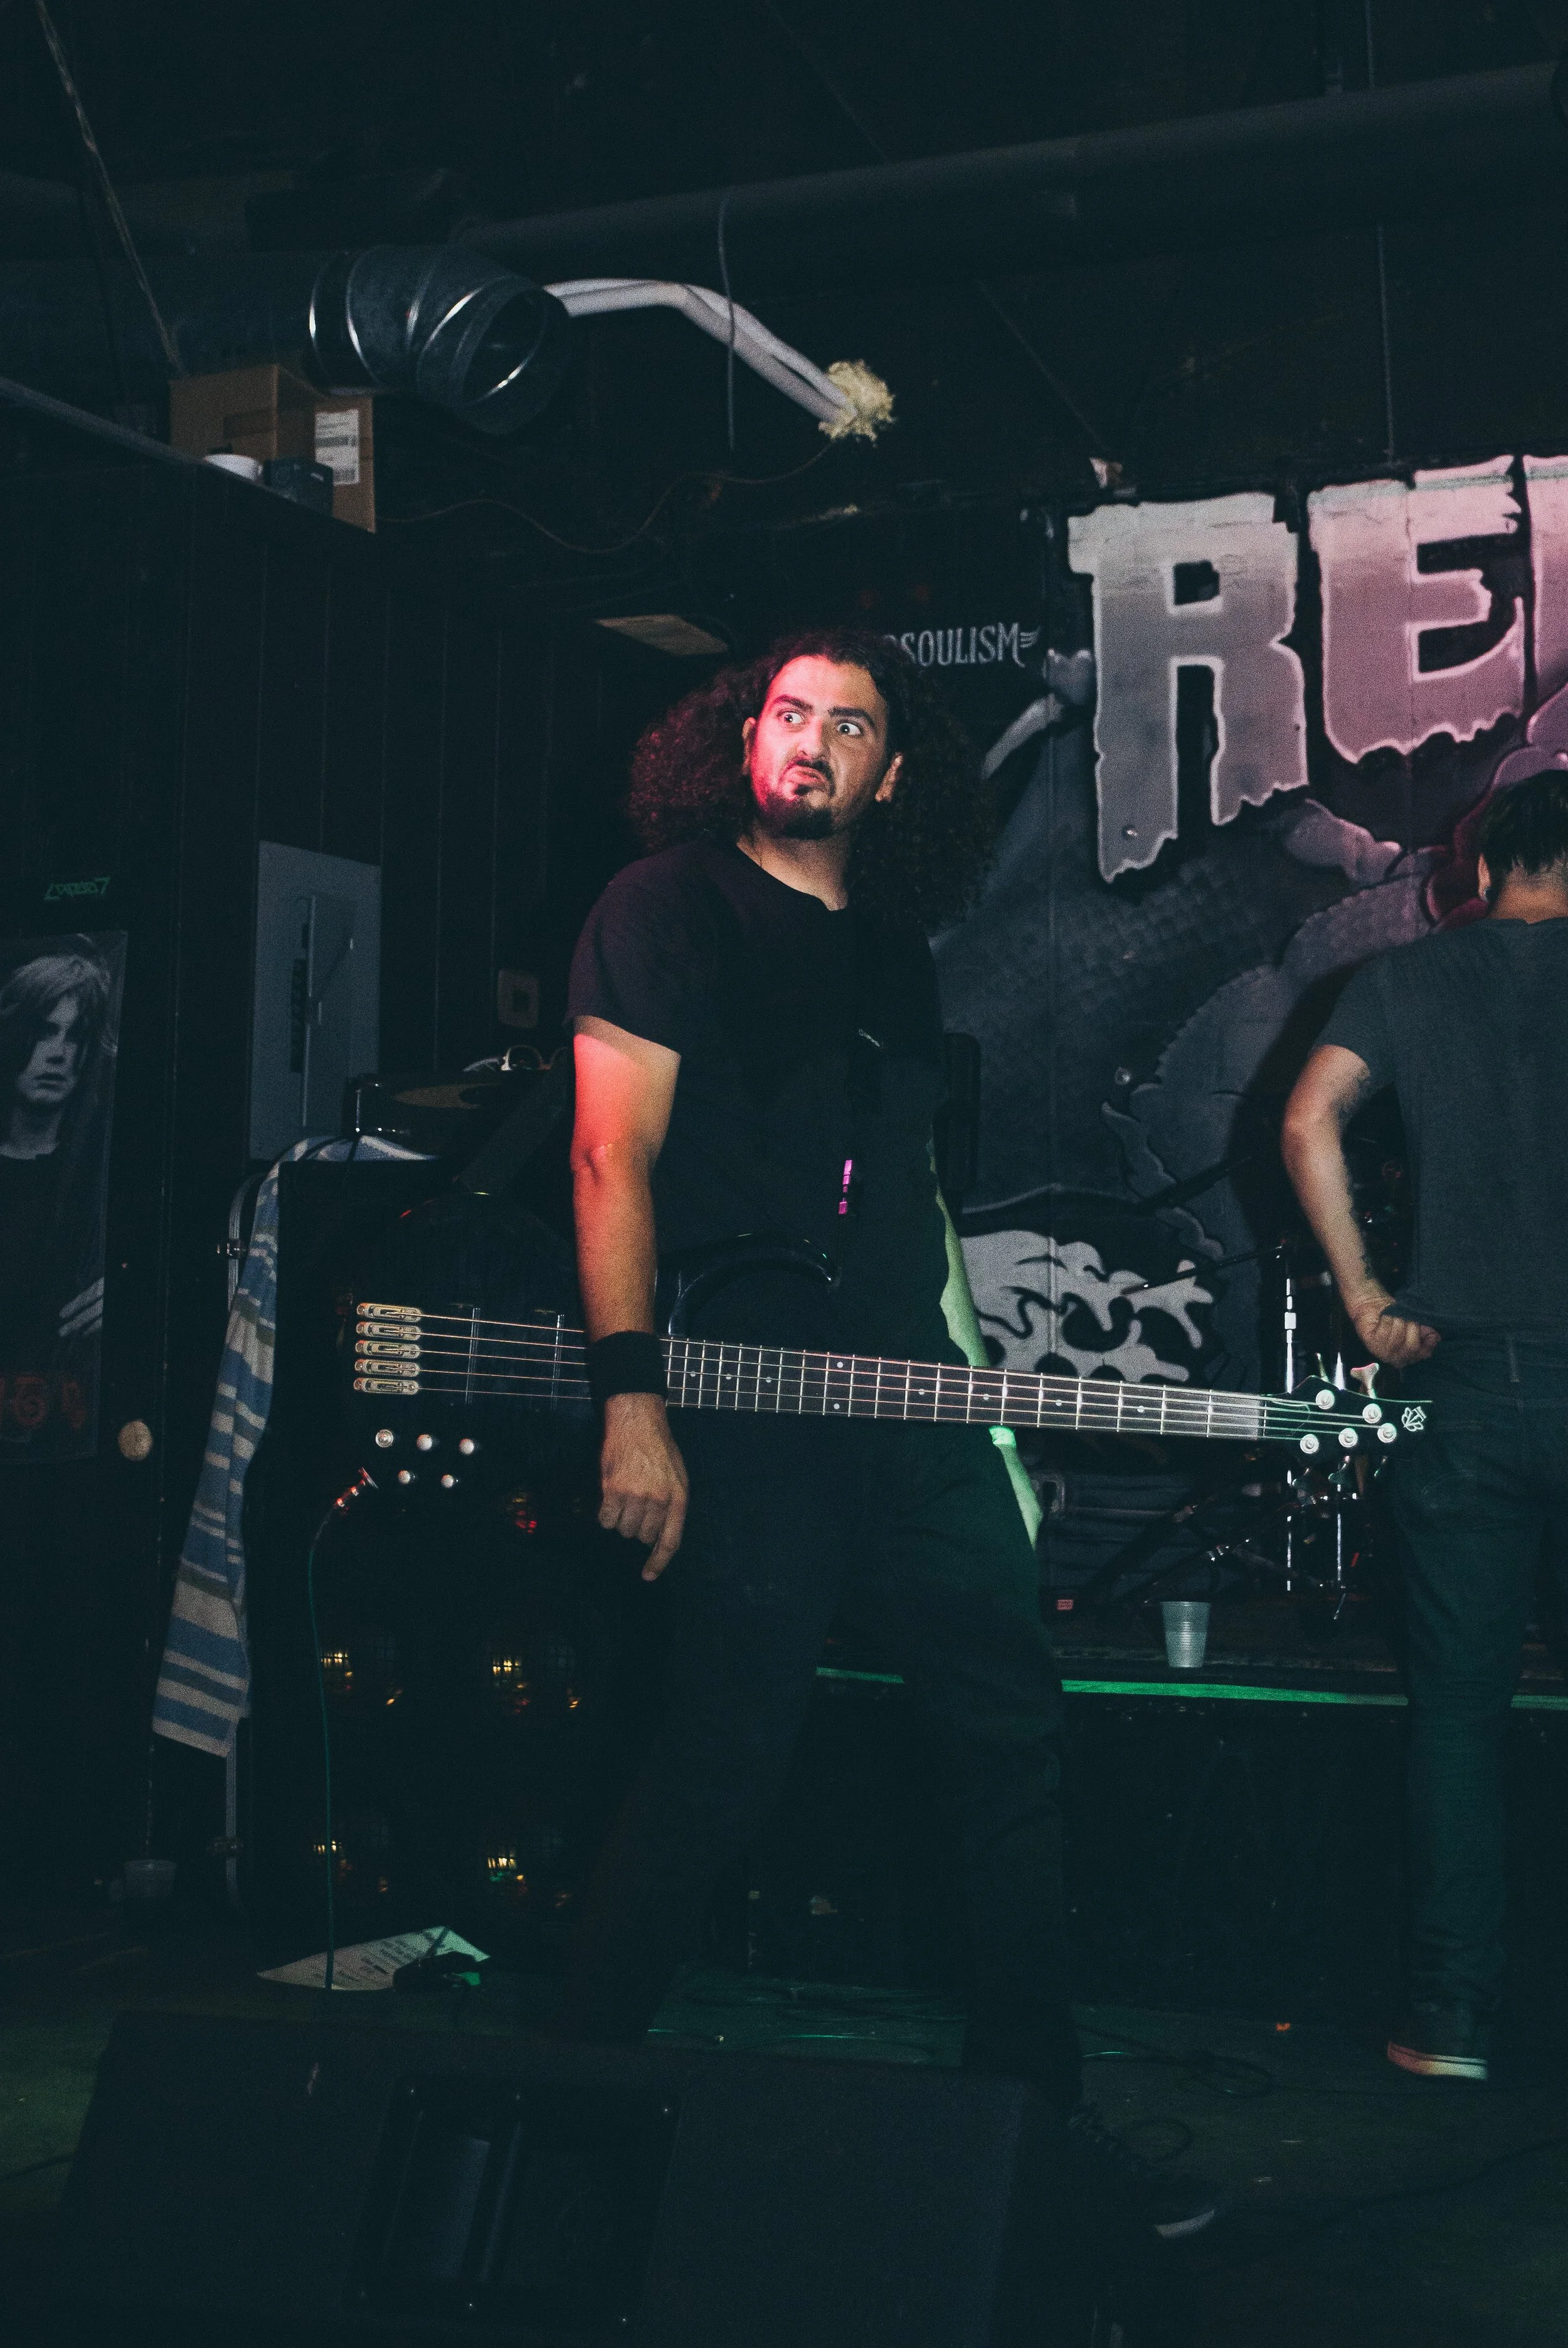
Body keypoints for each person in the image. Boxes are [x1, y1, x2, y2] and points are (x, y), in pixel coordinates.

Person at [556, 626, 1216, 2236]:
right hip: (749, 1402)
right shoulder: (663, 909)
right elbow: (604, 1158)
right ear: (742, 736)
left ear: (890, 773)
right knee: (724, 1756)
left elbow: (915, 1205)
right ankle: (548, 2109)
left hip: (914, 1403)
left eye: (849, 724)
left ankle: (1034, 2128)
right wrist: (634, 1403)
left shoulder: (899, 956)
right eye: (789, 713)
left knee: (1008, 1733)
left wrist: (983, 1407)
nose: (813, 741)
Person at [1281, 768, 1568, 2085]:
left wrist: (1363, 1297)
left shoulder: (1403, 982)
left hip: (1455, 1391)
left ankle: (1446, 2018)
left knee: (1454, 1715)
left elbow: (1303, 1122)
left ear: (1472, 872)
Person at [0, 946, 116, 1453]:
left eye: (76, 1036)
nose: (58, 1053)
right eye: (45, 1031)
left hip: (68, 1445)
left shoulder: (99, 1175)